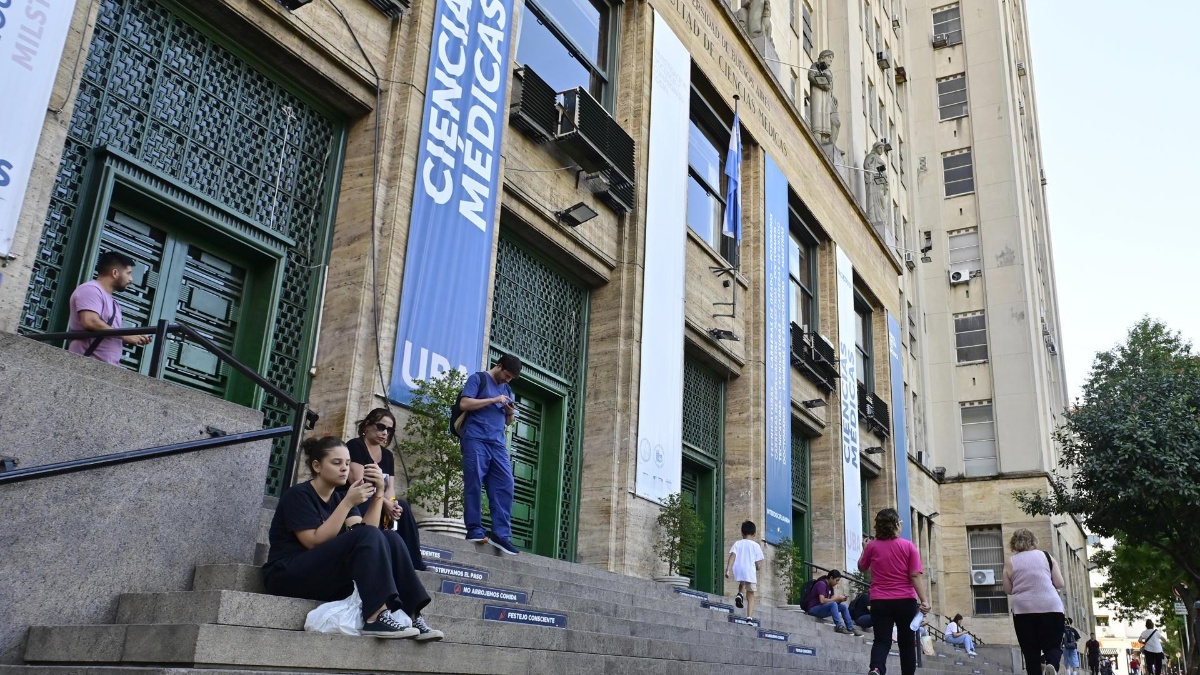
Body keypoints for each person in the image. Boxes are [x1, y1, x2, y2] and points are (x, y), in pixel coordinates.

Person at [262, 436, 443, 640]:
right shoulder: (299, 495)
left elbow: (368, 533)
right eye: (336, 462)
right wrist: (347, 503)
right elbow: (312, 541)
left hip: (323, 575)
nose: (344, 468)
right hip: (287, 574)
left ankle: (412, 614)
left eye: (347, 463)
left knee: (389, 537)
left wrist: (378, 495)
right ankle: (375, 617)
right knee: (369, 535)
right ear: (317, 466)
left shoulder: (340, 498)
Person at [338, 408, 426, 571]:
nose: (385, 432)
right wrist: (384, 503)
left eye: (389, 430)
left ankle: (415, 563)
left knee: (403, 507)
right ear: (367, 425)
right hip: (357, 500)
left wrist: (392, 505)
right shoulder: (355, 446)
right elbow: (358, 482)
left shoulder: (387, 455)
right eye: (381, 427)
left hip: (379, 499)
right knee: (373, 501)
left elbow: (390, 487)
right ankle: (378, 557)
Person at [457, 354, 521, 555]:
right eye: (507, 375)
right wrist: (494, 399)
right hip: (475, 438)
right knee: (474, 481)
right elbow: (464, 404)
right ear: (499, 366)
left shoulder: (507, 389)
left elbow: (508, 422)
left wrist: (509, 411)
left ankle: (502, 535)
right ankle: (474, 528)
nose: (508, 380)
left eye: (511, 378)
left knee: (506, 483)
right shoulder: (479, 379)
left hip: (497, 443)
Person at [857, 508, 931, 675]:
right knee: (907, 643)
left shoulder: (872, 546)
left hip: (880, 601)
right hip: (905, 600)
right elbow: (914, 575)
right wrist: (924, 600)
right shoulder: (908, 546)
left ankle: (876, 668)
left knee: (881, 640)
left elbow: (862, 567)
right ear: (897, 525)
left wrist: (864, 548)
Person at [67, 251, 151, 365]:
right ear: (115, 273)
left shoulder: (114, 303)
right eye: (128, 273)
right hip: (86, 365)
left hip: (107, 367)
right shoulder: (91, 289)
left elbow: (108, 332)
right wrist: (125, 335)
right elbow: (90, 321)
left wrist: (135, 337)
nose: (131, 279)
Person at [1003, 528, 1066, 675]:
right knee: (1053, 646)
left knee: (1030, 652)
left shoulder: (1010, 561)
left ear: (1014, 543)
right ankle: (1051, 664)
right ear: (1033, 541)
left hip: (1023, 611)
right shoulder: (1047, 556)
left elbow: (1008, 590)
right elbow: (1059, 583)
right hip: (1051, 607)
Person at [724, 520, 765, 620]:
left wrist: (728, 570)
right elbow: (758, 563)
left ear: (742, 533)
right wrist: (758, 567)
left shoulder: (737, 543)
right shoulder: (756, 546)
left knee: (742, 582)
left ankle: (740, 594)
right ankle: (749, 617)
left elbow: (732, 557)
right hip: (749, 571)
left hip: (739, 569)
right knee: (751, 595)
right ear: (754, 534)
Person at [803, 568, 862, 635]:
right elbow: (822, 600)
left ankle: (850, 628)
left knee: (843, 606)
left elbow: (831, 601)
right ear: (831, 578)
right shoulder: (821, 584)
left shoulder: (830, 587)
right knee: (833, 604)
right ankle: (839, 626)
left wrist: (840, 600)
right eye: (836, 580)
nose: (837, 583)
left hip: (822, 608)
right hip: (813, 609)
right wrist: (836, 598)